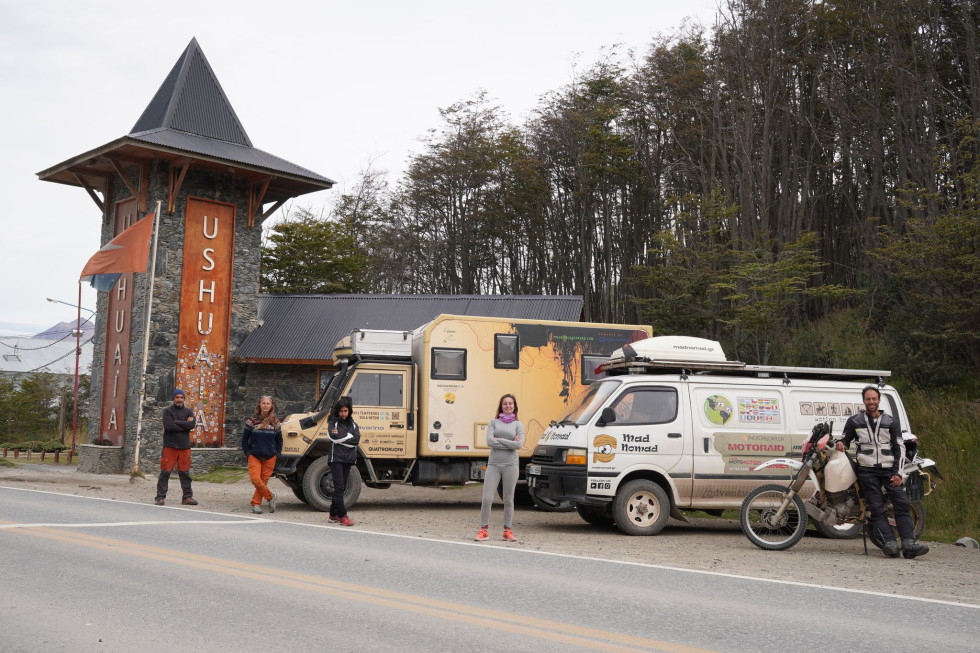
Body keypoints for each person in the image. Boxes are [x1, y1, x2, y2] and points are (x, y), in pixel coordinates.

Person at [836, 386, 928, 559]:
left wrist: (898, 474)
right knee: (876, 508)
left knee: (901, 503)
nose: (871, 402)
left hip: (889, 470)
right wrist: (840, 443)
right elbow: (845, 441)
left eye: (874, 399)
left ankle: (909, 544)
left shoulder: (891, 421)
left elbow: (899, 447)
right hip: (866, 471)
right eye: (868, 399)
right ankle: (890, 544)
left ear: (879, 400)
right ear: (863, 401)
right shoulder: (854, 421)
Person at [475, 394, 524, 542]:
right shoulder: (493, 422)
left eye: (510, 403)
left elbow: (519, 445)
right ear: (501, 406)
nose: (508, 406)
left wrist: (500, 439)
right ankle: (483, 530)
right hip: (494, 465)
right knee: (487, 498)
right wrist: (509, 441)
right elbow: (489, 442)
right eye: (505, 404)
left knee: (508, 500)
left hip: (511, 465)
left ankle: (507, 531)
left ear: (514, 406)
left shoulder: (518, 424)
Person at [154, 389, 198, 506]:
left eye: (181, 397)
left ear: (184, 399)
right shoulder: (168, 411)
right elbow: (168, 426)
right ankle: (160, 497)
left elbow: (192, 424)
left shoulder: (189, 411)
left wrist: (177, 422)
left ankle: (187, 497)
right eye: (177, 397)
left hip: (185, 447)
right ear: (173, 399)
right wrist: (185, 425)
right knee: (165, 472)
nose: (179, 399)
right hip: (170, 447)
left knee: (185, 473)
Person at [242, 395, 283, 514]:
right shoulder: (251, 420)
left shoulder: (275, 422)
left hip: (270, 457)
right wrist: (247, 453)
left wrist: (277, 453)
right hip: (254, 456)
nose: (265, 405)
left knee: (263, 482)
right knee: (255, 479)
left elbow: (279, 440)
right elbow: (245, 439)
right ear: (259, 404)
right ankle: (270, 496)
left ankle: (256, 504)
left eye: (268, 403)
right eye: (263, 403)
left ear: (271, 406)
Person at [327, 396, 360, 526]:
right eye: (341, 411)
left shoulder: (354, 424)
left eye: (345, 411)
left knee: (341, 488)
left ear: (349, 411)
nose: (343, 414)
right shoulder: (332, 423)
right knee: (339, 488)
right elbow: (333, 437)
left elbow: (356, 440)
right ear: (337, 411)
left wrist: (343, 437)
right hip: (336, 459)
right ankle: (343, 516)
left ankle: (332, 514)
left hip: (348, 459)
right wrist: (349, 436)